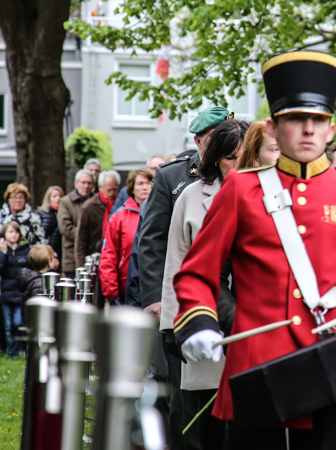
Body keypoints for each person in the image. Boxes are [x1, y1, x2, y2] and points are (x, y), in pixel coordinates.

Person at [173, 51, 336, 450]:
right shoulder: (241, 189)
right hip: (257, 362)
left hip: (331, 362)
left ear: (331, 129)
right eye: (296, 119)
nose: (308, 129)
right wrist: (198, 322)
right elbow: (197, 273)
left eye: (317, 120)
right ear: (273, 128)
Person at [136, 105, 231, 450]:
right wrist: (154, 298)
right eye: (214, 138)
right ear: (199, 141)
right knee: (186, 397)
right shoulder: (174, 176)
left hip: (230, 302)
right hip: (184, 300)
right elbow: (153, 241)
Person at [161, 119, 248, 450]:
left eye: (244, 157)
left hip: (253, 324)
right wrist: (172, 325)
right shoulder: (192, 197)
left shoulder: (270, 196)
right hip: (203, 322)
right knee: (207, 423)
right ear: (215, 159)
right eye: (230, 158)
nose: (238, 166)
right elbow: (176, 262)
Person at [99, 168, 153, 305]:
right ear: (132, 189)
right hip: (126, 289)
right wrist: (112, 292)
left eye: (148, 183)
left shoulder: (160, 214)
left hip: (153, 287)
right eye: (140, 184)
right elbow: (108, 255)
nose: (145, 187)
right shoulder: (119, 217)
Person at [0, 221, 30, 358]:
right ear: (4, 234)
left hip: (20, 294)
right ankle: (12, 353)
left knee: (18, 323)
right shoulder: (0, 252)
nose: (14, 235)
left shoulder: (25, 250)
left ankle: (21, 348)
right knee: (8, 326)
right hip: (5, 295)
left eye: (16, 232)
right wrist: (3, 254)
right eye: (10, 232)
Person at [75, 170, 120, 268]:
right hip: (94, 257)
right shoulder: (89, 207)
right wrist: (81, 266)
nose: (112, 193)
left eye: (114, 189)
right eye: (109, 190)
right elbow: (81, 239)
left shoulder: (121, 205)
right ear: (100, 187)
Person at [57, 169, 94, 277]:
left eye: (89, 183)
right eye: (83, 182)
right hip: (71, 258)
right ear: (76, 183)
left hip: (93, 257)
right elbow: (65, 228)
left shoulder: (96, 202)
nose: (86, 186)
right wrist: (85, 236)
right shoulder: (66, 202)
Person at [0, 183, 46, 247]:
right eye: (14, 197)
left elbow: (41, 241)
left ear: (25, 200)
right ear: (8, 200)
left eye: (21, 197)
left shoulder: (33, 219)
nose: (18, 200)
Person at [33, 186, 64, 269]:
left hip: (59, 256)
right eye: (55, 196)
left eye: (60, 196)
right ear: (48, 198)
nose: (58, 198)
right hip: (43, 254)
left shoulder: (64, 214)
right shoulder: (39, 214)